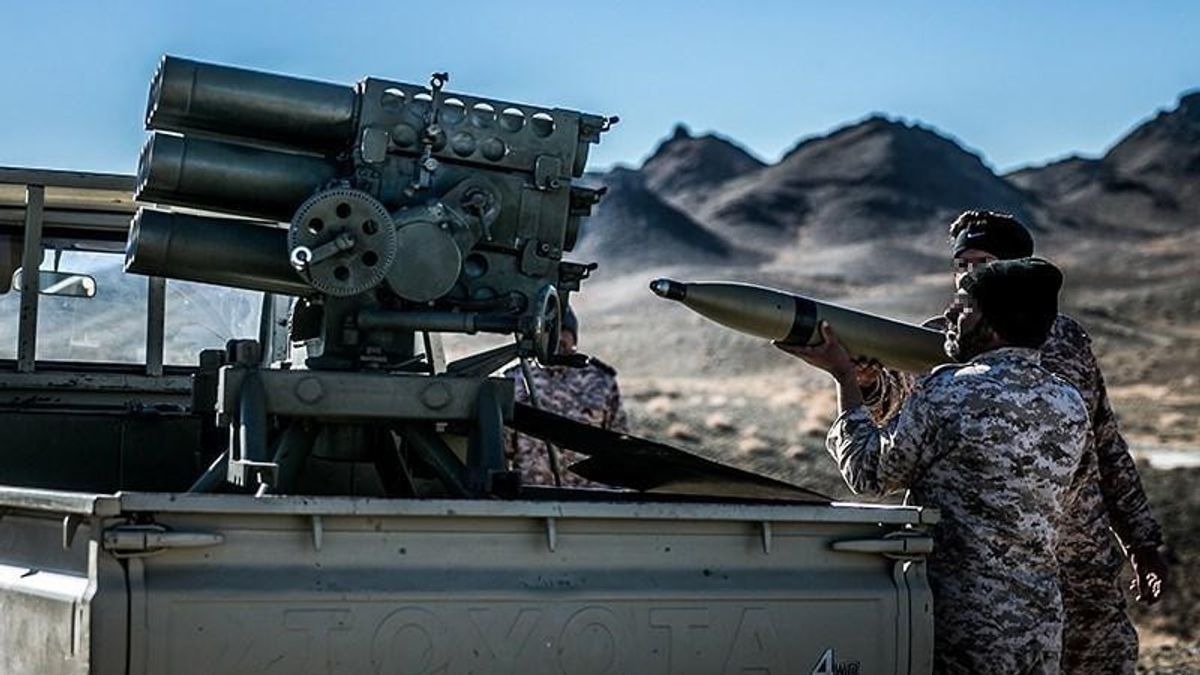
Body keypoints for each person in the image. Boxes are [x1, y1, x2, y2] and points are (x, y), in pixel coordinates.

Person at [861, 210, 1166, 674]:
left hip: (1080, 562)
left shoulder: (1067, 340)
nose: (967, 274)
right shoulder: (943, 338)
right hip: (983, 572)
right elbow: (896, 418)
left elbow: (1105, 445)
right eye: (960, 265)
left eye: (981, 261)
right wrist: (864, 386)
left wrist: (1141, 542)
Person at [777, 258, 1088, 673]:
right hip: (1040, 621)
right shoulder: (1069, 402)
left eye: (964, 306)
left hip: (963, 621)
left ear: (992, 325)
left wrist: (845, 379)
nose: (950, 315)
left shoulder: (949, 391)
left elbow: (868, 474)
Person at [503, 306, 628, 486]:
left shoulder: (600, 380)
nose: (558, 338)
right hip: (534, 496)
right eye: (549, 331)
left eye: (563, 331)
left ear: (574, 336)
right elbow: (502, 448)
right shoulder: (515, 380)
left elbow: (619, 444)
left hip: (592, 499)